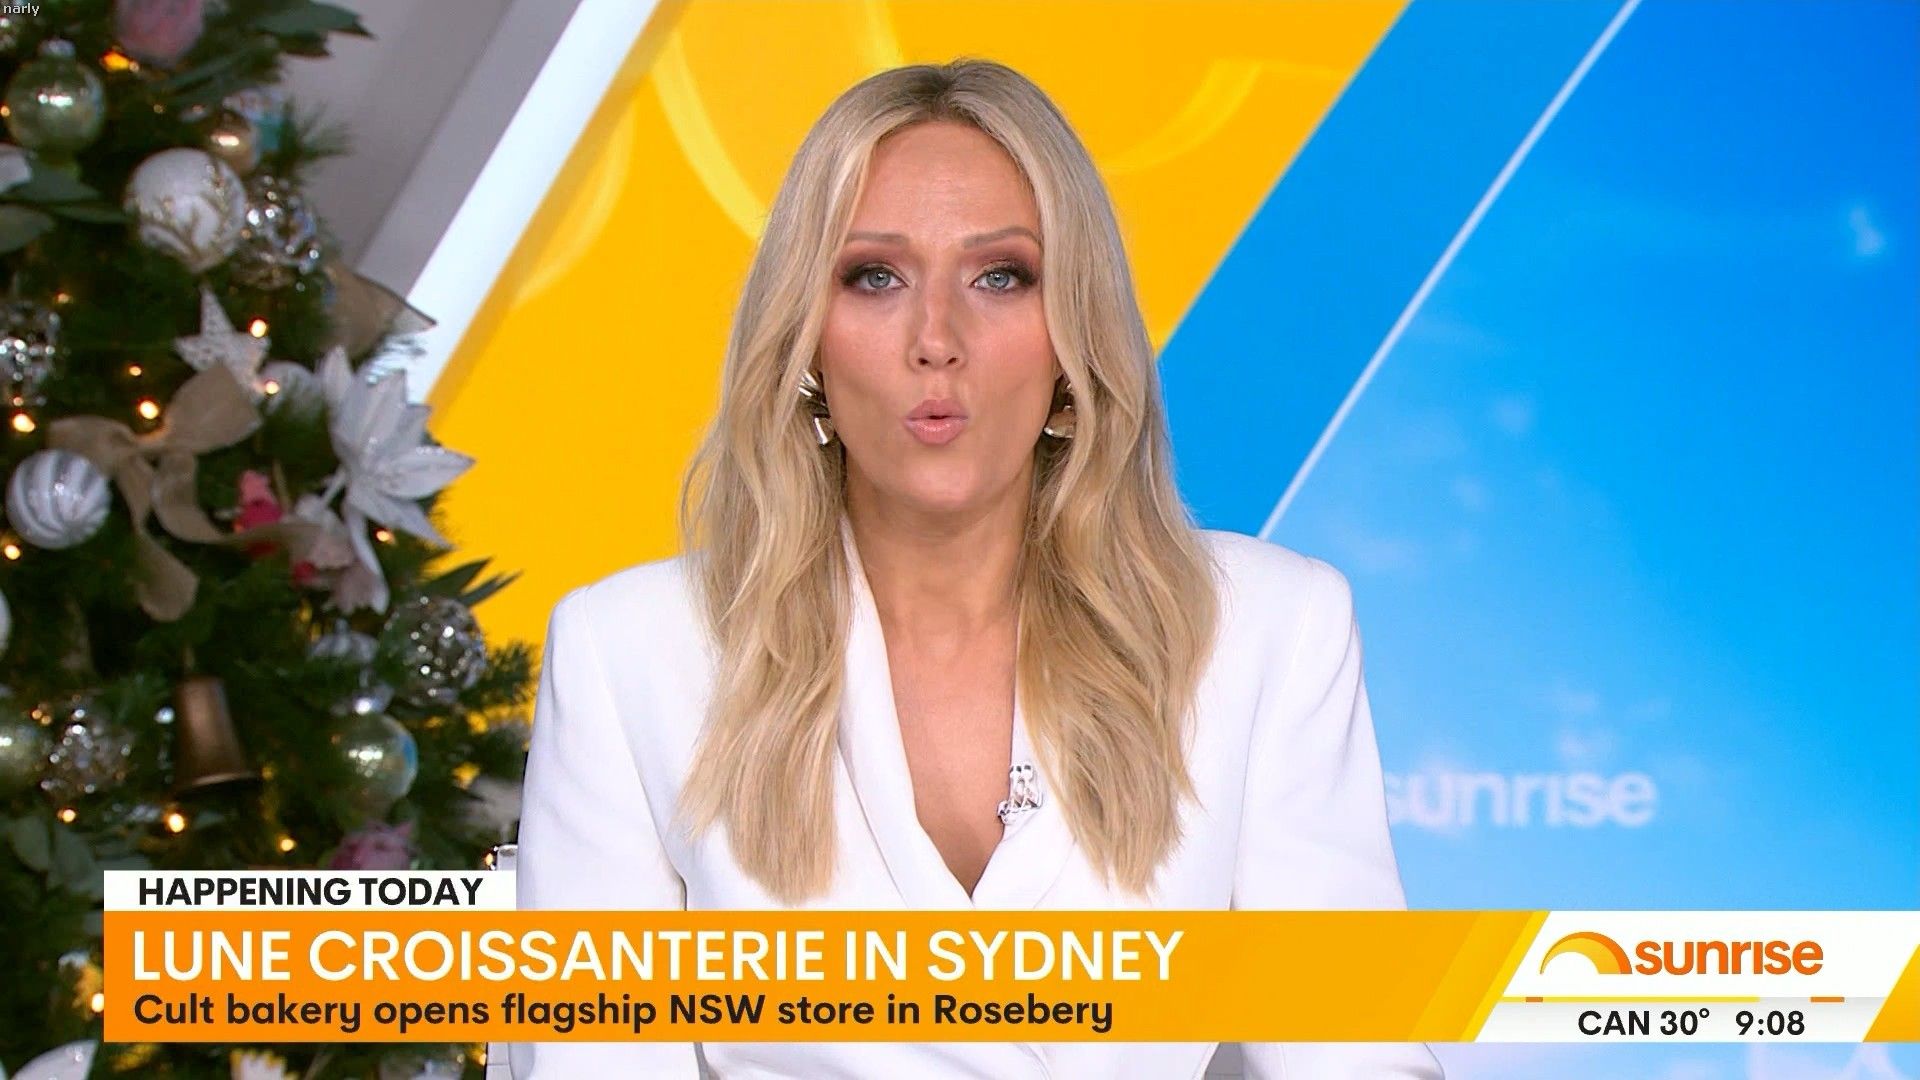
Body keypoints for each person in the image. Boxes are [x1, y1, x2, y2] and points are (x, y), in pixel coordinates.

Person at [513, 57, 1443, 1079]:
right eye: (875, 277)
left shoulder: (1268, 628)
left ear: (1074, 332)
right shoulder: (631, 651)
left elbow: (1354, 1054)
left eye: (1000, 276)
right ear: (806, 339)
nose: (936, 341)